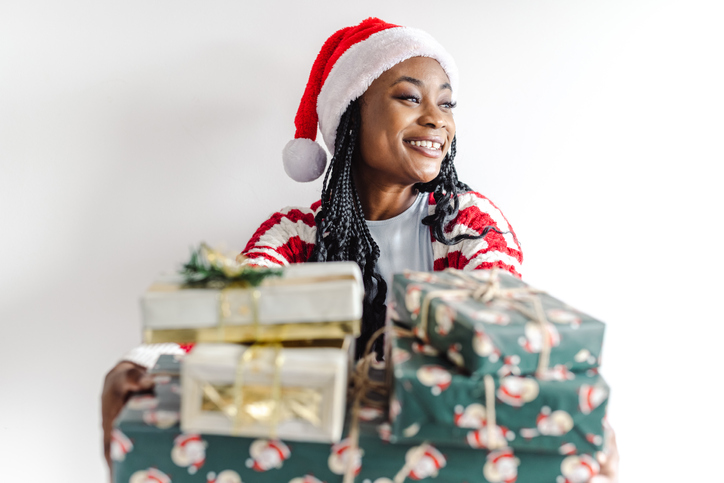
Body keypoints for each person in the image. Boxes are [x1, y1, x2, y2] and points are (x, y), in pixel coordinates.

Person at [102, 17, 617, 481]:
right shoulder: (295, 237)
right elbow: (229, 313)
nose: (437, 118)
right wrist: (147, 364)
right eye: (410, 98)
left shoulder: (469, 225)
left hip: (444, 452)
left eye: (446, 102)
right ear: (353, 116)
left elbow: (500, 332)